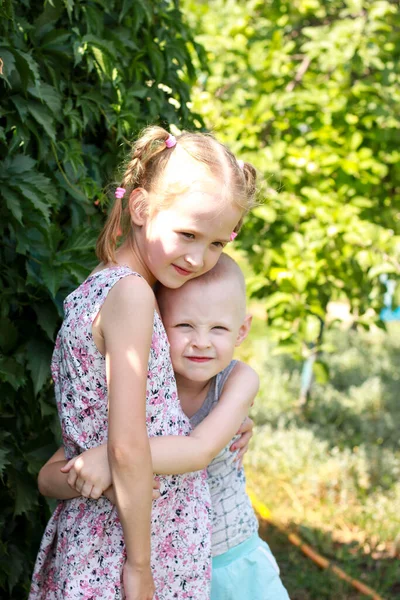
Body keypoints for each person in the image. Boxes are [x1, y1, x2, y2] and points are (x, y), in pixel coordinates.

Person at [29, 127, 257, 600]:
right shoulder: (132, 297)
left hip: (103, 527)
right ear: (139, 208)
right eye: (188, 234)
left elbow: (101, 430)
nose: (200, 258)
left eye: (217, 243)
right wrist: (139, 567)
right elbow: (127, 448)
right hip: (130, 543)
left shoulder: (97, 291)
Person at [38, 254, 290, 600]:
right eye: (185, 326)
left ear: (241, 331)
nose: (201, 341)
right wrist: (99, 471)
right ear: (157, 328)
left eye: (218, 328)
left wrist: (114, 458)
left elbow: (199, 449)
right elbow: (48, 476)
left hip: (228, 559)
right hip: (168, 570)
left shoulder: (238, 380)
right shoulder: (143, 394)